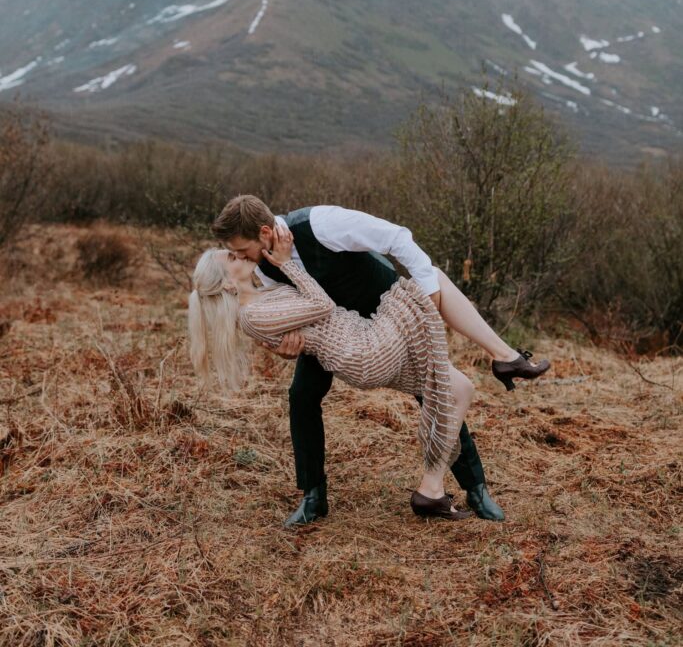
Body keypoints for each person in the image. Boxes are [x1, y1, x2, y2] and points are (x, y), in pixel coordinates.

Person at [205, 196, 549, 527]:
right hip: (339, 334)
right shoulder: (266, 268)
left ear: (264, 234)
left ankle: (476, 489)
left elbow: (396, 237)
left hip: (383, 304)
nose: (242, 257)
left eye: (242, 250)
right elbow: (291, 312)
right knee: (302, 395)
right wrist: (283, 346)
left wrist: (427, 290)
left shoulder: (323, 223)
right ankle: (313, 497)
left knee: (435, 387)